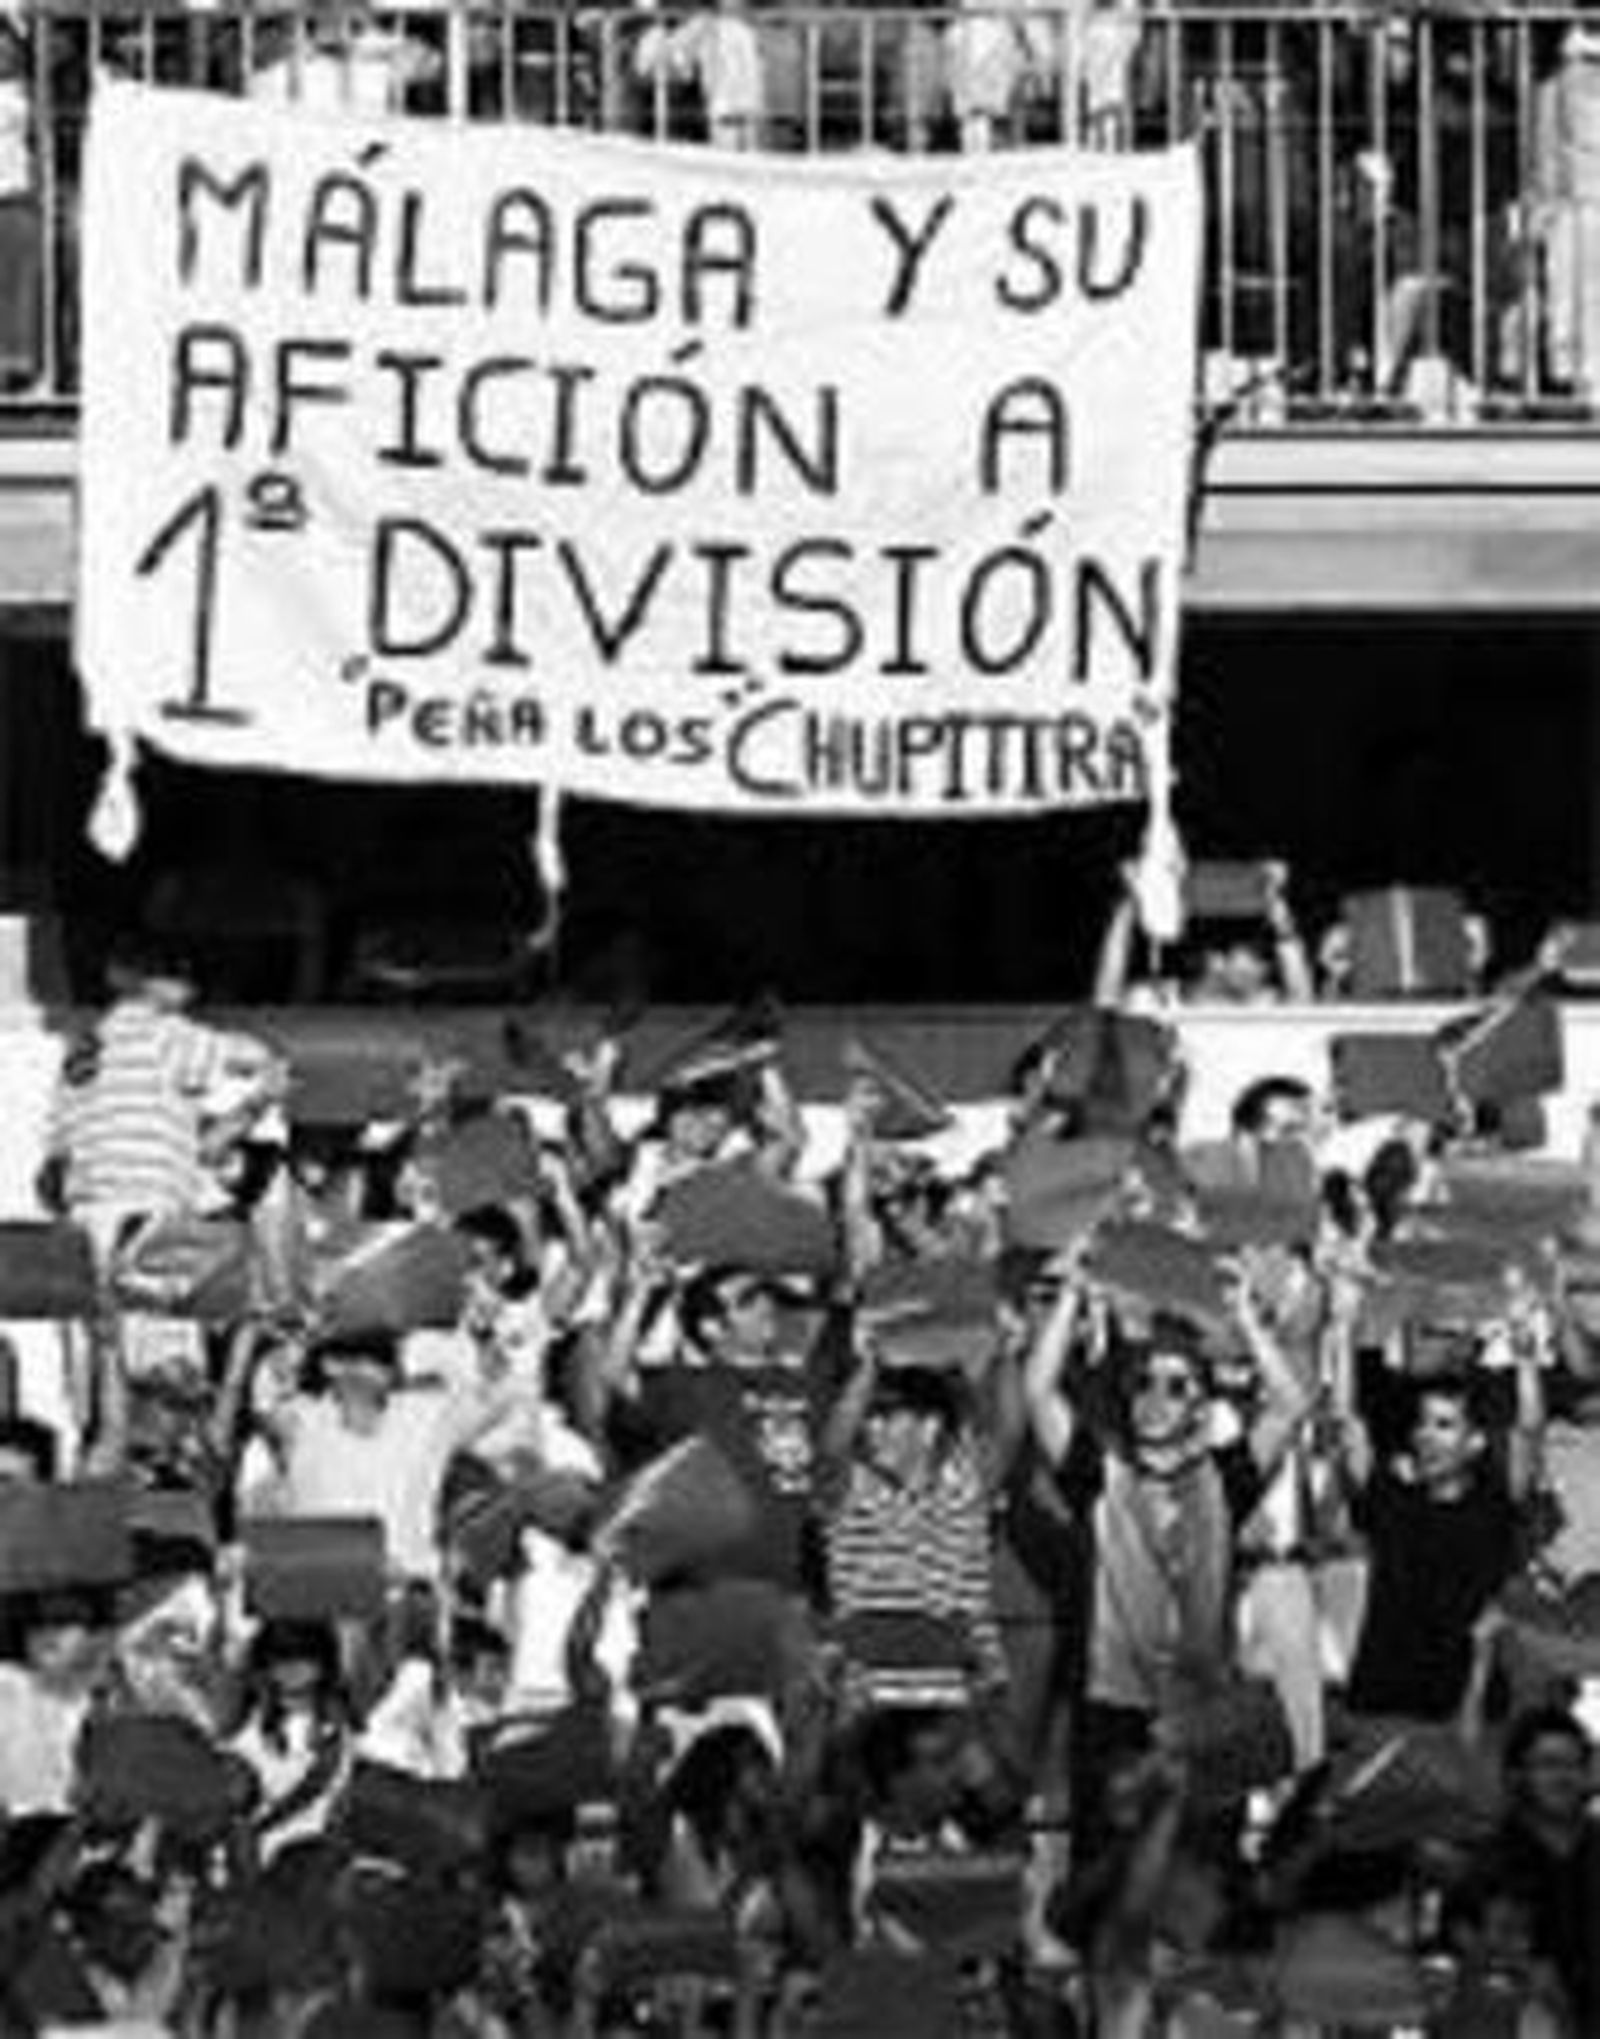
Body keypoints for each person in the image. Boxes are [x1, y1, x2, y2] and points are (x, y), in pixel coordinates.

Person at [1023, 1256, 1312, 1855]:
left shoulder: (1227, 1479)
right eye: (1143, 1384)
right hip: (1112, 1711)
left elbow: (1289, 1405)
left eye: (1177, 1386)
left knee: (1194, 1890)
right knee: (1104, 1882)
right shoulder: (1100, 1475)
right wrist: (1074, 1293)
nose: (1156, 1398)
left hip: (1201, 1712)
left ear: (1202, 1408)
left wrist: (1242, 1318)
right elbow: (1037, 1389)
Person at [1339, 1370, 1532, 1723]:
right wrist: (1342, 1331)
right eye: (1422, 1423)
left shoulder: (1491, 1508)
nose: (1426, 1436)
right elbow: (1347, 1423)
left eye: (1444, 1425)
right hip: (1382, 1704)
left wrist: (1527, 1357)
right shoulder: (1393, 1496)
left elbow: (1528, 1431)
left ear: (1475, 1442)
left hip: (1466, 1708)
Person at [1488, 1705, 1600, 2032]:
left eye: (1575, 1764)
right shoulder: (1489, 1864)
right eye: (1548, 1764)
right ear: (1516, 1775)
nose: (1564, 1777)